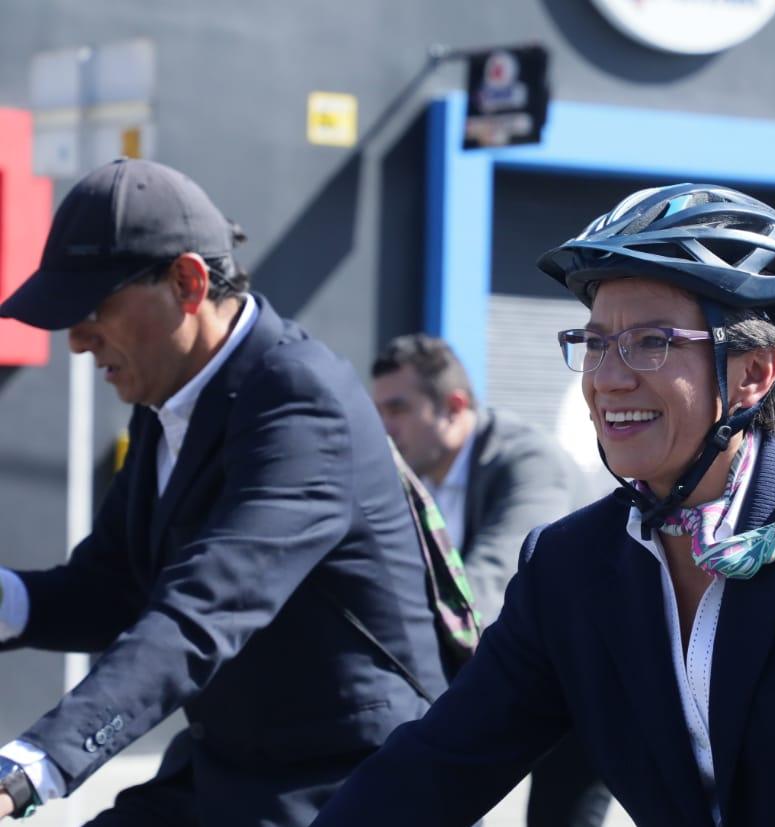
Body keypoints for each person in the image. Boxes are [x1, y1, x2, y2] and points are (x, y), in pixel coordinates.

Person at [313, 184, 775, 826]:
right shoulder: (569, 566)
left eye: (651, 342)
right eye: (593, 343)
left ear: (753, 373)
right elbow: (436, 767)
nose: (607, 379)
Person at [0, 158, 447, 825]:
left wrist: (35, 762)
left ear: (187, 281)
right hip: (230, 770)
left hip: (348, 783)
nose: (78, 340)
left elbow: (198, 613)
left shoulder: (301, 402)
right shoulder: (166, 397)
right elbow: (114, 586)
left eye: (94, 308)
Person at [371, 334, 612, 827]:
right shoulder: (408, 476)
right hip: (511, 677)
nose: (384, 428)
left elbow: (489, 589)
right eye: (377, 410)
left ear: (454, 406)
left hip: (588, 684)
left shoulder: (527, 462)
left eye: (397, 409)